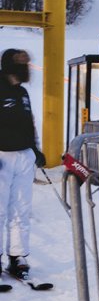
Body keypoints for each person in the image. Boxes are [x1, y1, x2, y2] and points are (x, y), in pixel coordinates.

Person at [0, 48, 46, 288]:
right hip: (2, 156)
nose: (26, 67)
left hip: (23, 156)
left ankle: (17, 257)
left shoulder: (22, 92)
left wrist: (35, 149)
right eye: (21, 62)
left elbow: (29, 124)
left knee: (21, 209)